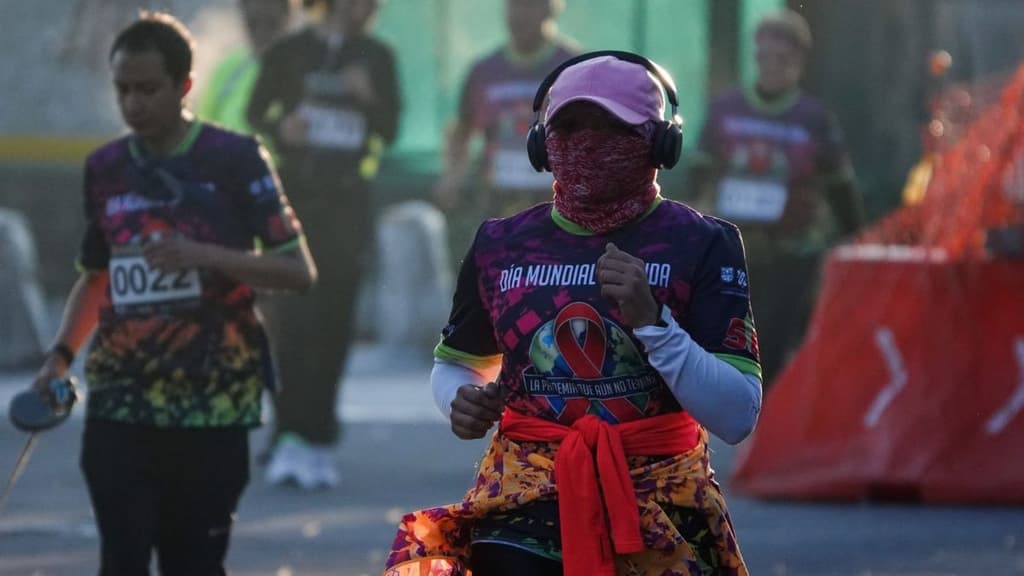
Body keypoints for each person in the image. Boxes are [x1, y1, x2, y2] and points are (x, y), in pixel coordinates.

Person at [384, 51, 762, 576]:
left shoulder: (703, 243)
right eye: (571, 124)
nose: (589, 138)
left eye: (613, 125)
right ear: (542, 143)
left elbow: (737, 414)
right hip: (523, 497)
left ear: (659, 141)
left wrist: (654, 322)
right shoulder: (501, 243)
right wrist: (459, 399)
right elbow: (456, 364)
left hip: (662, 500)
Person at [29, 11, 316, 574]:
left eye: (147, 89)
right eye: (122, 90)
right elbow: (96, 274)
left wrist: (205, 256)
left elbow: (297, 271)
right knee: (123, 559)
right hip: (121, 400)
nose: (133, 103)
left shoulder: (236, 160)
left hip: (212, 405)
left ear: (184, 86)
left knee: (193, 564)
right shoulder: (106, 169)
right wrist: (60, 359)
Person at [246, 0, 401, 489]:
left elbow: (390, 129)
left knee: (334, 321)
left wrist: (369, 99)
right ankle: (287, 431)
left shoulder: (378, 56)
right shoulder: (292, 51)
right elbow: (256, 110)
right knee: (290, 321)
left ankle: (317, 435)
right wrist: (280, 127)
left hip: (347, 205)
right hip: (295, 202)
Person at [689, 8, 864, 386]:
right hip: (735, 251)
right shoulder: (726, 109)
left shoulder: (813, 119)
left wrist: (856, 236)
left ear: (799, 63)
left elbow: (839, 185)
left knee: (774, 344)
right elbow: (699, 174)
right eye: (764, 57)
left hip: (792, 254)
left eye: (782, 59)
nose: (772, 67)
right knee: (730, 340)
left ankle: (765, 432)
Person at [433, 0, 579, 229]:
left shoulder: (575, 67)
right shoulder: (483, 71)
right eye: (513, 4)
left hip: (557, 203)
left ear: (550, 8)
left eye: (528, 5)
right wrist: (452, 175)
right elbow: (462, 129)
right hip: (496, 199)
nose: (519, 14)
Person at [197, 0, 297, 135]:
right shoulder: (229, 67)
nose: (262, 31)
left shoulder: (302, 70)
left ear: (288, 18)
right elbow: (204, 127)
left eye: (271, 23)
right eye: (253, 22)